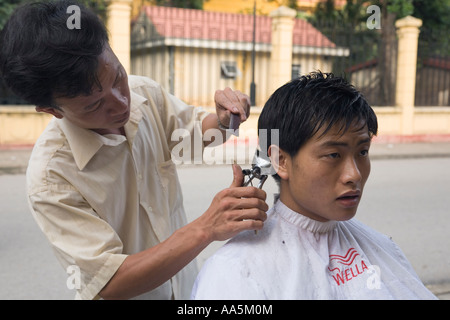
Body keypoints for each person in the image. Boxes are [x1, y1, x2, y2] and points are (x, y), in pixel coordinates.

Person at [0, 0, 268, 300]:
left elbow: (194, 138)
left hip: (186, 290)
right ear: (51, 110)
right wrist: (206, 227)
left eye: (118, 77)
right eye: (95, 104)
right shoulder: (52, 179)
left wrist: (223, 120)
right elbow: (110, 281)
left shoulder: (144, 94)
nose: (120, 102)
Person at [191, 71, 437, 300]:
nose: (354, 175)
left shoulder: (381, 247)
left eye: (363, 151)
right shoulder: (234, 273)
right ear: (281, 161)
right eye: (333, 155)